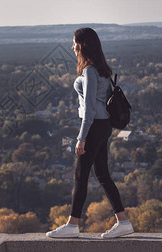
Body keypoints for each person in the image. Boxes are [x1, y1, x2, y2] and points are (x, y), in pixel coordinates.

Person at [46, 28, 134, 239]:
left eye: (74, 43)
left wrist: (81, 138)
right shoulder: (101, 69)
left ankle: (72, 225)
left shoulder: (90, 72)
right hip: (104, 126)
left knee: (80, 176)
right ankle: (123, 222)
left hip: (95, 126)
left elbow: (90, 110)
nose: (72, 47)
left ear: (82, 45)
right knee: (102, 174)